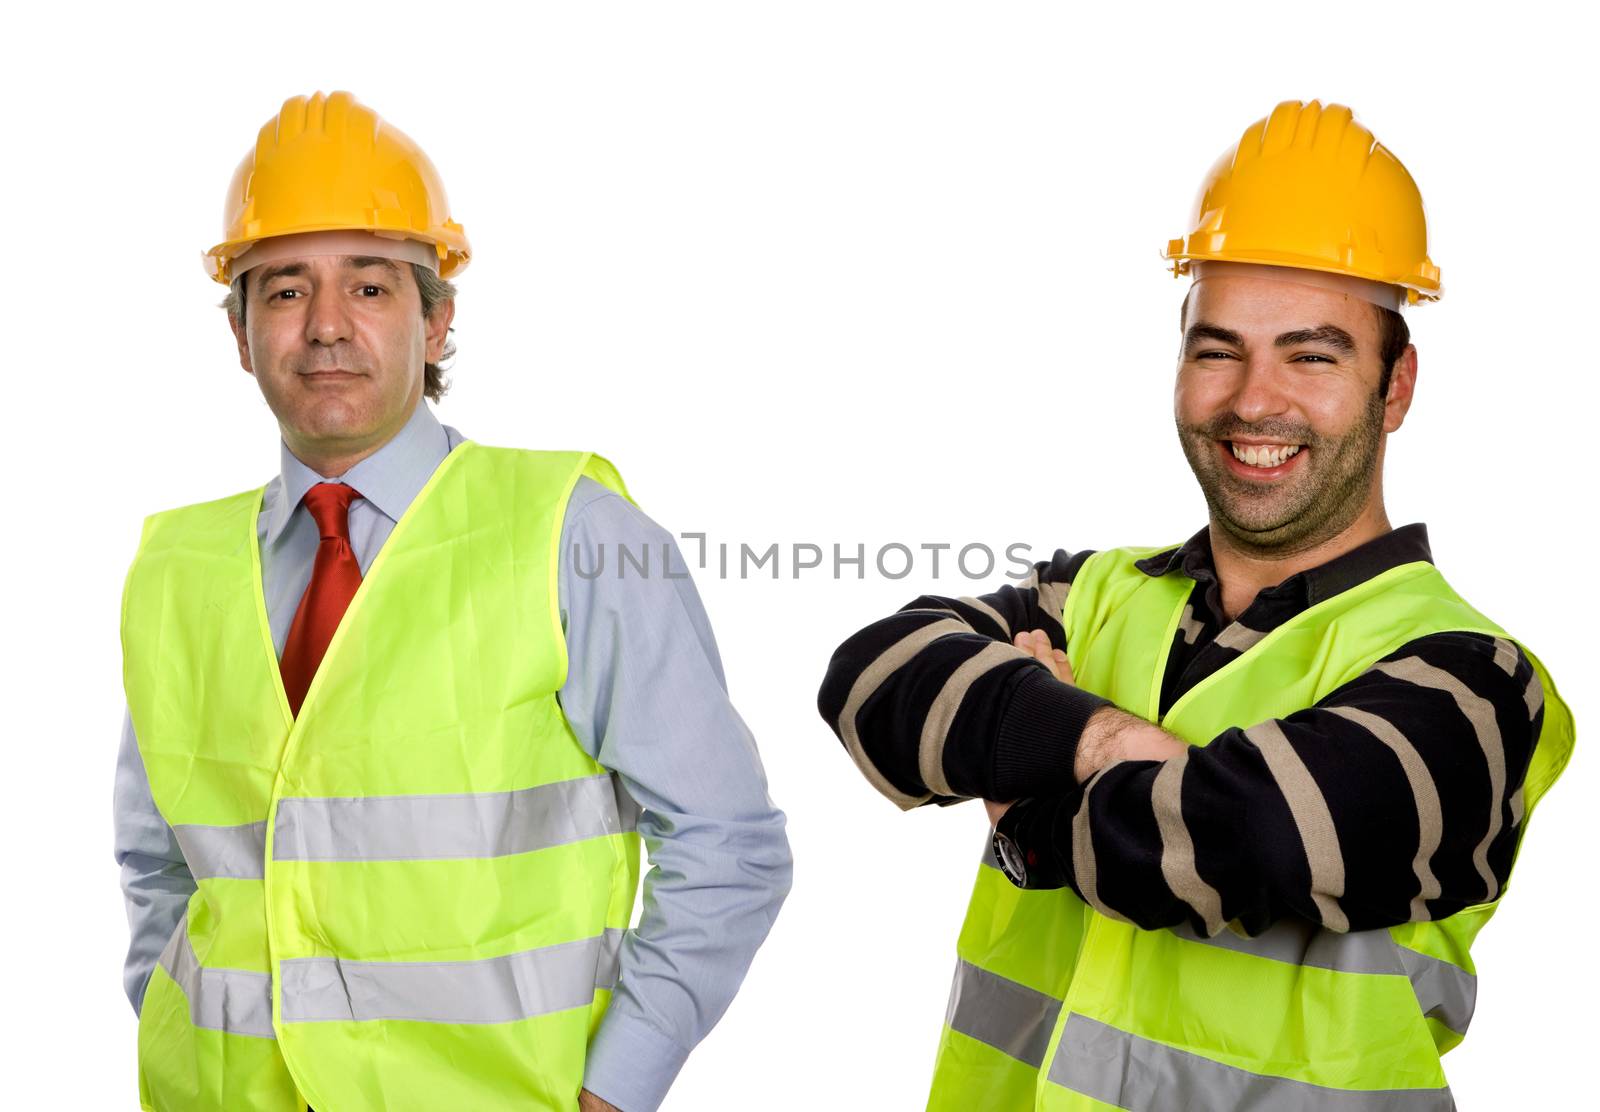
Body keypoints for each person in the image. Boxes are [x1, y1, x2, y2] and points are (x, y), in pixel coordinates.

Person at [817, 99, 1574, 1109]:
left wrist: (1026, 808)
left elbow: (1245, 840)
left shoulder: (1472, 683)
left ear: (1395, 387)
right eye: (1217, 349)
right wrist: (1097, 746)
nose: (1253, 400)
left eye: (1311, 355)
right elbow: (868, 678)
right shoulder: (1090, 591)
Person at [114, 90, 792, 1112]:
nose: (327, 327)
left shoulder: (572, 532)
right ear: (241, 334)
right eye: (286, 289)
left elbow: (727, 839)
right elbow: (160, 861)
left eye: (372, 287)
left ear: (437, 321)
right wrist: (173, 1018)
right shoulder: (176, 565)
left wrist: (617, 1085)